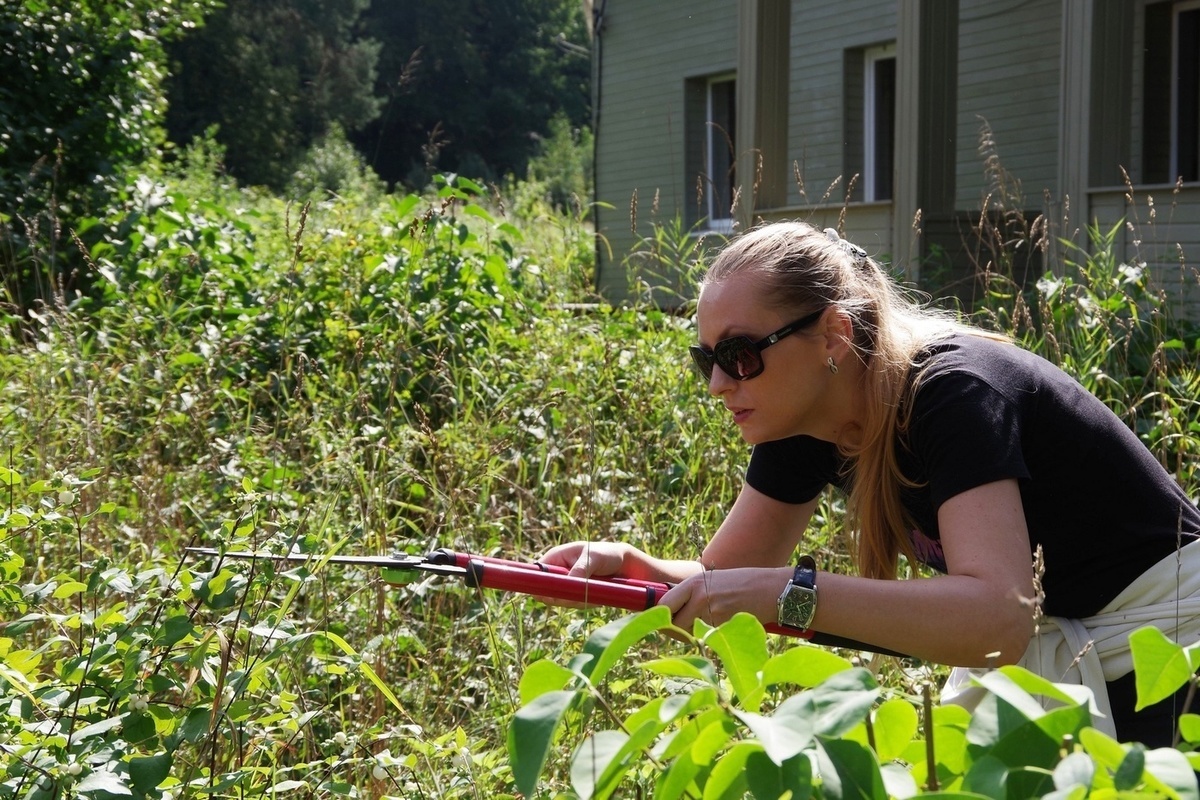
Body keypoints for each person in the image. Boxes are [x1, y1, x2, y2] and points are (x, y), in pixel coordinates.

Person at [540, 220, 1200, 747]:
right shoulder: (801, 419)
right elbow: (725, 587)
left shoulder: (952, 394)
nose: (719, 383)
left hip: (1170, 647)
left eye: (741, 355)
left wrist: (792, 595)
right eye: (706, 359)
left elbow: (998, 620)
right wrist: (633, 571)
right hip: (1078, 653)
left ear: (833, 335)